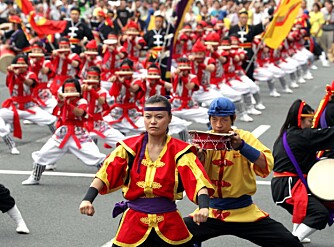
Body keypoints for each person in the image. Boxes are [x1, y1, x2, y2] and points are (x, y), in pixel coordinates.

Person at [79, 95, 214, 247]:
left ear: (169, 118)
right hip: (133, 221)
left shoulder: (181, 151)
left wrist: (203, 207)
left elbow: (197, 179)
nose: (153, 121)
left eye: (159, 117)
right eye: (148, 117)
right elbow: (105, 172)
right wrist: (87, 199)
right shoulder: (129, 148)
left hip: (169, 221)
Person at [184, 97, 303, 247]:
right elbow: (187, 175)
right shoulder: (203, 141)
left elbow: (267, 164)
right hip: (210, 212)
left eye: (224, 120)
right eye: (214, 120)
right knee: (174, 236)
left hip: (243, 212)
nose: (219, 125)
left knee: (289, 243)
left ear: (233, 119)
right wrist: (198, 157)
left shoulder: (245, 137)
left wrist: (242, 147)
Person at [22, 78, 106, 185]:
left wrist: (68, 103)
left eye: (72, 90)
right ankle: (35, 177)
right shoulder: (61, 100)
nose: (69, 93)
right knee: (42, 154)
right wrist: (62, 101)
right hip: (62, 133)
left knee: (96, 156)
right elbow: (57, 110)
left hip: (79, 134)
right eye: (67, 90)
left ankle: (107, 177)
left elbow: (80, 113)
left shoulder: (82, 101)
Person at [272, 99, 334, 243]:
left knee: (310, 207)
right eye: (309, 121)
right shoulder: (301, 136)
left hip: (284, 184)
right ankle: (292, 241)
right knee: (319, 213)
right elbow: (328, 134)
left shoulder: (287, 134)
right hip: (288, 186)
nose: (311, 125)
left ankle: (296, 233)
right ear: (299, 120)